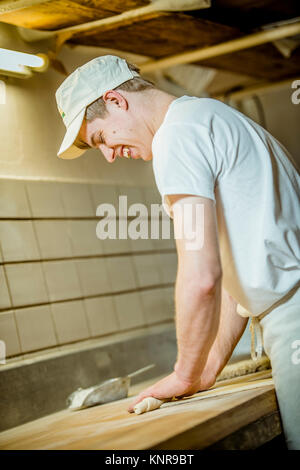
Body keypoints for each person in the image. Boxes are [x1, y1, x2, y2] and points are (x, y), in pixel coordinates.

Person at [55, 55, 300, 449]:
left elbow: (201, 276)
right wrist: (207, 370)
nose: (109, 155)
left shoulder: (177, 137)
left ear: (116, 101)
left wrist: (184, 374)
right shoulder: (210, 117)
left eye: (100, 138)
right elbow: (239, 285)